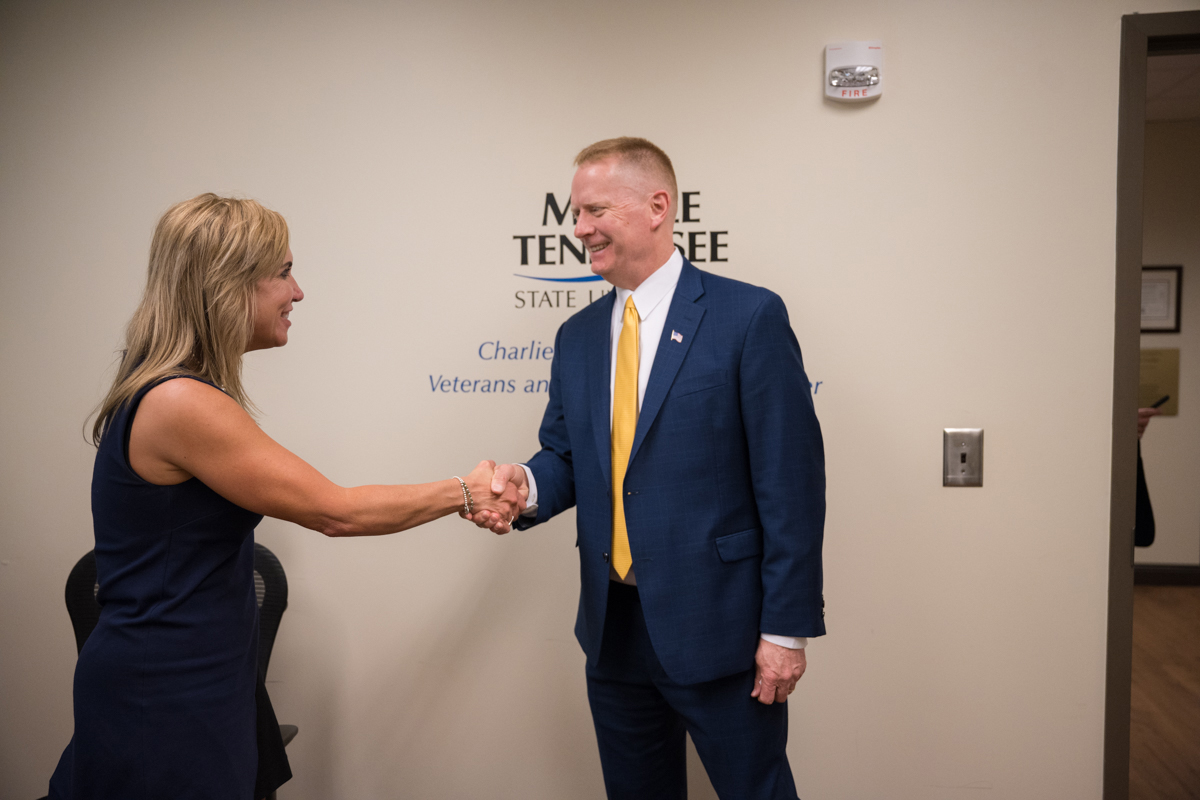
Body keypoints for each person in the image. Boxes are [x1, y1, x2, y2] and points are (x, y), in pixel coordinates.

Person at [47, 194, 523, 800]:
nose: (297, 293)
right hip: (163, 699)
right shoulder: (180, 403)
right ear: (228, 284)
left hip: (200, 685)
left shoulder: (178, 392)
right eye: (283, 273)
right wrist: (467, 489)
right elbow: (336, 511)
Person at [473, 138, 825, 799]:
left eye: (595, 209)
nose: (579, 228)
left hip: (724, 631)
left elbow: (792, 488)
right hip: (615, 636)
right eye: (575, 214)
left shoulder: (748, 317)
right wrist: (526, 485)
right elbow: (568, 457)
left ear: (658, 206)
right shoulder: (577, 338)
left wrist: (786, 630)